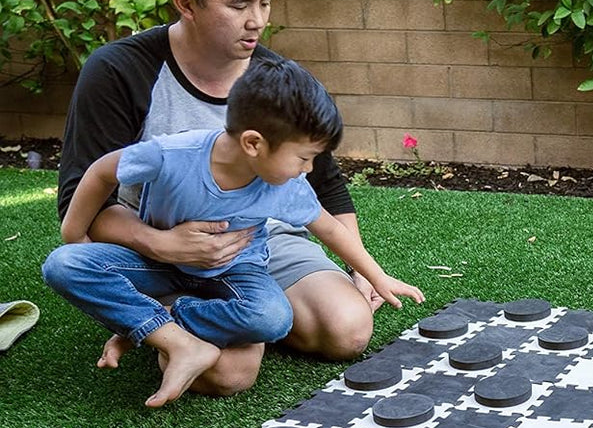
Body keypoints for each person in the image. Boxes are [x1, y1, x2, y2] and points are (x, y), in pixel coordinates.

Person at [56, 0, 382, 399]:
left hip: (257, 243)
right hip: (157, 242)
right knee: (228, 376)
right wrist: (163, 245)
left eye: (265, 2)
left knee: (347, 331)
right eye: (239, 5)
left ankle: (224, 316)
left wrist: (360, 270)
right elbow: (81, 200)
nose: (258, 20)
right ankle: (172, 318)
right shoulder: (118, 70)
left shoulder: (277, 77)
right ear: (185, 4)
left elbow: (324, 187)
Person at [44, 59, 425, 408]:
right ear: (254, 143)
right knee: (63, 265)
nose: (308, 170)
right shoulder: (171, 154)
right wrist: (74, 233)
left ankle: (156, 323)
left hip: (235, 274)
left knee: (272, 318)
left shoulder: (285, 185)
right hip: (157, 264)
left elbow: (327, 226)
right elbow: (101, 172)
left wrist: (376, 275)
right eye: (304, 157)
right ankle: (176, 341)